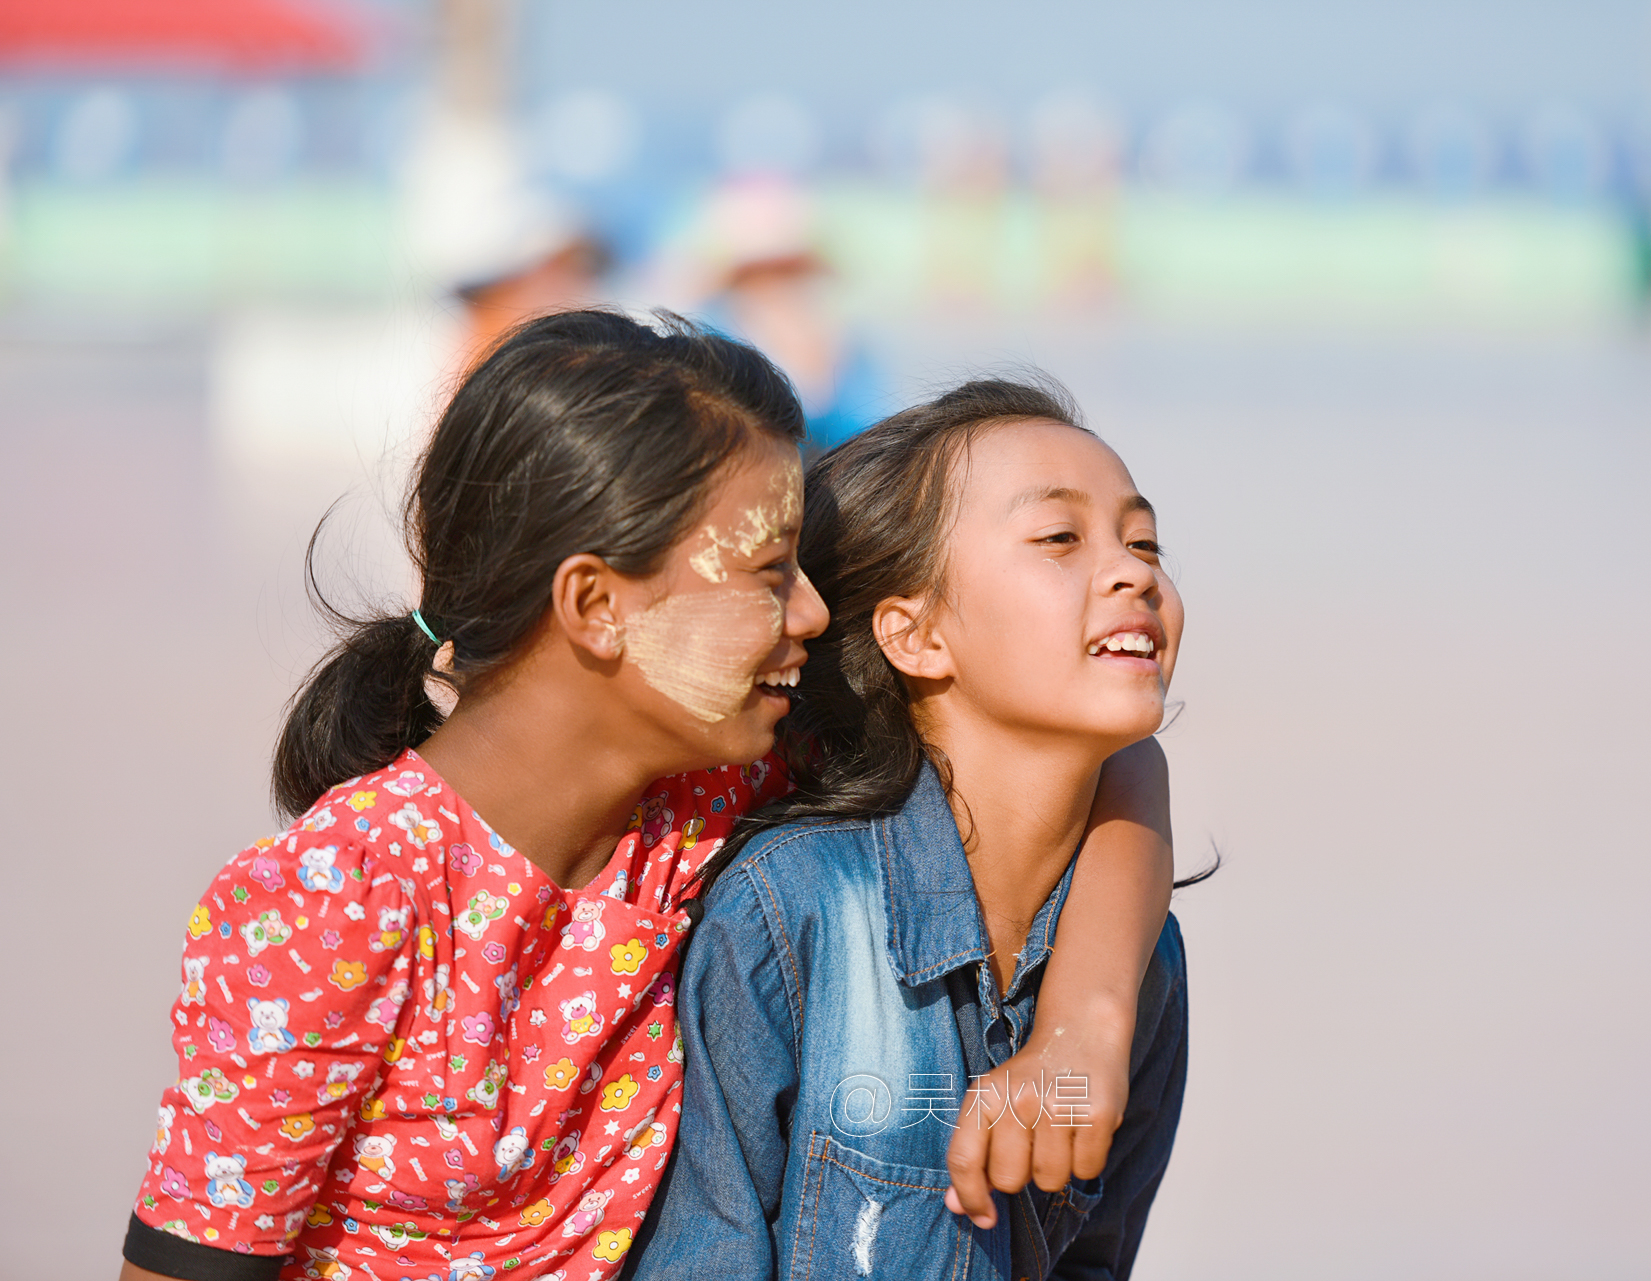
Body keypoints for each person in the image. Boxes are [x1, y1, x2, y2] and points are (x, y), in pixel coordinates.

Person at [122, 315, 1175, 1280]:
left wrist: (1086, 1017)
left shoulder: (697, 812)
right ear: (596, 605)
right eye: (768, 572)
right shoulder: (336, 898)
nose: (810, 611)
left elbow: (1110, 758)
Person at [634, 379, 1189, 1280]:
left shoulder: (1143, 961)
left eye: (1144, 541)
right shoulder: (791, 911)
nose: (1135, 572)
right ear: (916, 633)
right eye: (1059, 538)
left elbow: (1093, 1258)